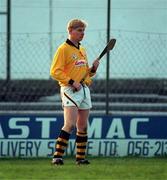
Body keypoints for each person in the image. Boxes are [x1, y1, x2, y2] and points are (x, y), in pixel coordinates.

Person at [50, 19, 99, 165]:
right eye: (79, 30)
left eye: (83, 31)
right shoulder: (63, 49)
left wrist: (93, 69)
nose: (82, 33)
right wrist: (72, 82)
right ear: (70, 30)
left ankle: (80, 159)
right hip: (70, 90)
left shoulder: (82, 50)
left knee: (82, 126)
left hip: (83, 90)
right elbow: (54, 71)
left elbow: (85, 75)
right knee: (69, 124)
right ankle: (57, 157)